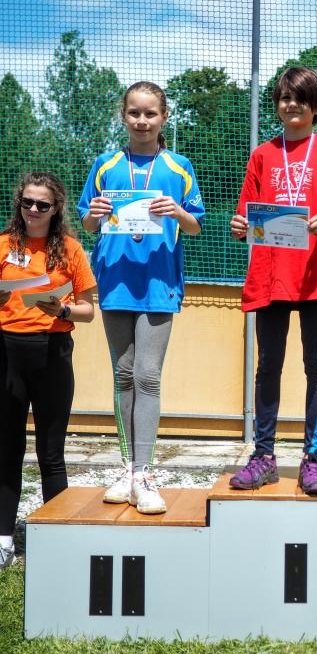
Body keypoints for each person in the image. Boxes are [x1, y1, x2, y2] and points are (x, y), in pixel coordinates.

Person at [229, 66, 317, 495]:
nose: (292, 105)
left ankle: (312, 459)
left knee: (315, 365)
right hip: (269, 278)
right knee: (268, 365)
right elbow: (246, 217)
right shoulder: (262, 154)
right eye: (285, 98)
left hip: (312, 277)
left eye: (301, 99)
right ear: (277, 104)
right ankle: (264, 456)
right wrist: (239, 227)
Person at [78, 81, 204, 514]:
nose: (142, 121)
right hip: (115, 281)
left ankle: (144, 473)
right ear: (123, 115)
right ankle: (127, 469)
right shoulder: (106, 164)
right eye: (135, 112)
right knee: (123, 375)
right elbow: (87, 223)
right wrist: (95, 215)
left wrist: (177, 211)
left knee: (147, 375)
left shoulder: (178, 166)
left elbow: (195, 226)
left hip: (158, 283)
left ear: (164, 117)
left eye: (151, 113)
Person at [0, 172, 96, 570]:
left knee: (51, 451)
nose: (34, 210)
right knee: (7, 449)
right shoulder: (4, 245)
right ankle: (4, 540)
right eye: (27, 202)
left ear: (56, 209)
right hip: (7, 351)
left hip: (53, 351)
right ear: (18, 204)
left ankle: (57, 537)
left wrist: (64, 309)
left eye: (43, 204)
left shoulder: (70, 249)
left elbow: (89, 310)